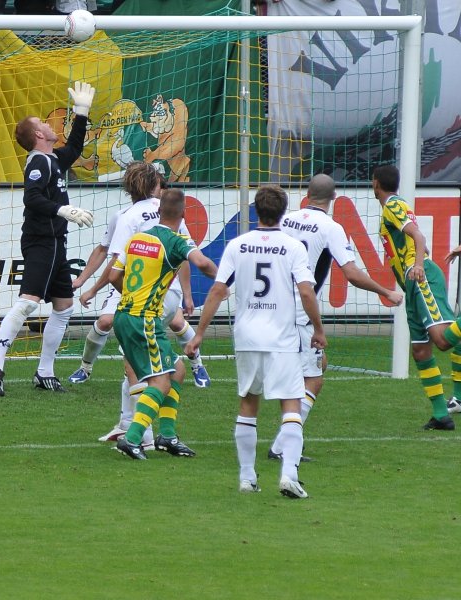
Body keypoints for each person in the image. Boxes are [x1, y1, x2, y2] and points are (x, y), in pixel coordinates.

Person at [186, 185, 327, 498]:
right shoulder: (293, 247)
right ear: (283, 212)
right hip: (282, 338)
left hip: (247, 336)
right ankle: (289, 474)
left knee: (249, 402)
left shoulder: (238, 245)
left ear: (257, 211)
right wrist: (318, 328)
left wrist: (198, 333)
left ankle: (247, 478)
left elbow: (217, 290)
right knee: (291, 403)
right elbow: (306, 292)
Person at [267, 174, 404, 460]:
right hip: (299, 312)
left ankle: (284, 441)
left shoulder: (287, 219)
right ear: (334, 198)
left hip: (272, 308)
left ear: (307, 193)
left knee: (315, 367)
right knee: (312, 381)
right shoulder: (331, 228)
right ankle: (282, 446)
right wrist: (386, 292)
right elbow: (352, 273)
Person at [85, 162, 216, 448]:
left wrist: (118, 292)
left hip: (126, 311)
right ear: (182, 214)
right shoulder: (176, 240)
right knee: (159, 381)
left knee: (174, 370)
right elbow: (202, 263)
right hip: (145, 317)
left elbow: (115, 273)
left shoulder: (136, 238)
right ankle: (134, 437)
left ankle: (166, 436)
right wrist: (227, 278)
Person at [0, 81, 96, 396]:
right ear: (40, 135)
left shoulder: (53, 159)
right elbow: (31, 199)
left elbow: (73, 149)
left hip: (56, 243)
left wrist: (82, 113)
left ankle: (45, 370)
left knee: (63, 306)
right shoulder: (38, 162)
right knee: (28, 303)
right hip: (41, 242)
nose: (49, 125)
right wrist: (63, 211)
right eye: (44, 124)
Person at [68, 172, 212, 389]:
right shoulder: (126, 216)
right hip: (131, 283)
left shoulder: (164, 210)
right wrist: (89, 284)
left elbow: (181, 255)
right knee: (107, 322)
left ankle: (196, 364)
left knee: (171, 324)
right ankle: (86, 367)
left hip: (159, 283)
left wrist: (187, 293)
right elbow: (112, 256)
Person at [373, 164, 461, 430]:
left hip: (419, 276)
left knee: (442, 341)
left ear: (375, 183)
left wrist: (419, 265)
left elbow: (417, 234)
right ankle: (441, 415)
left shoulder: (393, 205)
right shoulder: (392, 206)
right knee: (421, 350)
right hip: (411, 284)